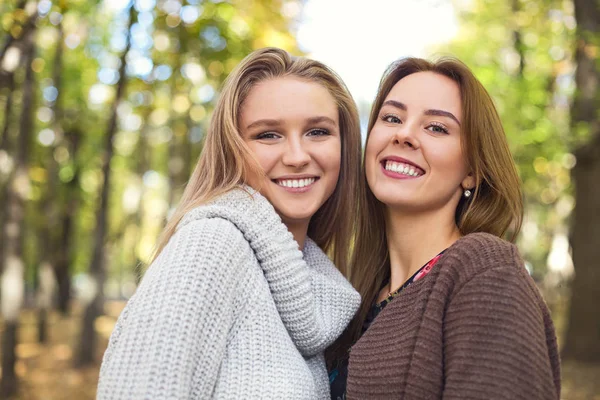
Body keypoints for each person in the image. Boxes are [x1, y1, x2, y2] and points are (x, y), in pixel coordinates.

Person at [97, 47, 362, 399]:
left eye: (317, 132)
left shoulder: (311, 279)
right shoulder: (211, 245)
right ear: (232, 148)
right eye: (268, 134)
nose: (298, 156)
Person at [328, 57, 560, 400]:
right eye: (391, 118)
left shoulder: (485, 272)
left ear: (472, 171)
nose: (404, 134)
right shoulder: (355, 295)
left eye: (436, 127)